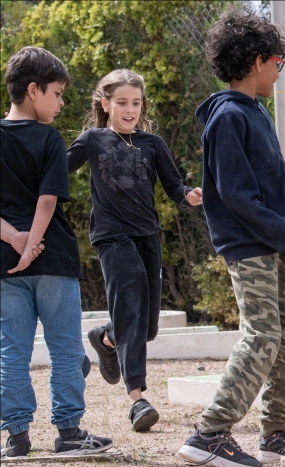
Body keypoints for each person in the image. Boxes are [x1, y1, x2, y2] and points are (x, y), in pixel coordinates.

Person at [177, 5, 285, 467]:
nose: (280, 72)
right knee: (261, 336)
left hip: (272, 242)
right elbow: (237, 198)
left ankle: (274, 432)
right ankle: (210, 433)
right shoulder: (229, 117)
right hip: (247, 244)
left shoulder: (254, 113)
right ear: (258, 61)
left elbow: (272, 192)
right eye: (278, 63)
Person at [68, 69, 202, 433]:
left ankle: (106, 338)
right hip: (112, 236)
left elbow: (174, 186)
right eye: (122, 102)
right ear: (106, 104)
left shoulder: (152, 143)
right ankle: (138, 400)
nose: (130, 109)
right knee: (131, 308)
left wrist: (189, 195)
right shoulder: (93, 140)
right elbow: (57, 168)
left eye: (136, 103)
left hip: (148, 236)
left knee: (147, 325)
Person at [0, 46, 113, 457]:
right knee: (65, 345)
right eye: (58, 93)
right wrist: (33, 246)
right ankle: (68, 434)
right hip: (52, 257)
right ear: (34, 90)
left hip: (5, 261)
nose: (61, 103)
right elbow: (47, 201)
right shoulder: (49, 138)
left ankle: (16, 437)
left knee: (12, 348)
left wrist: (15, 240)